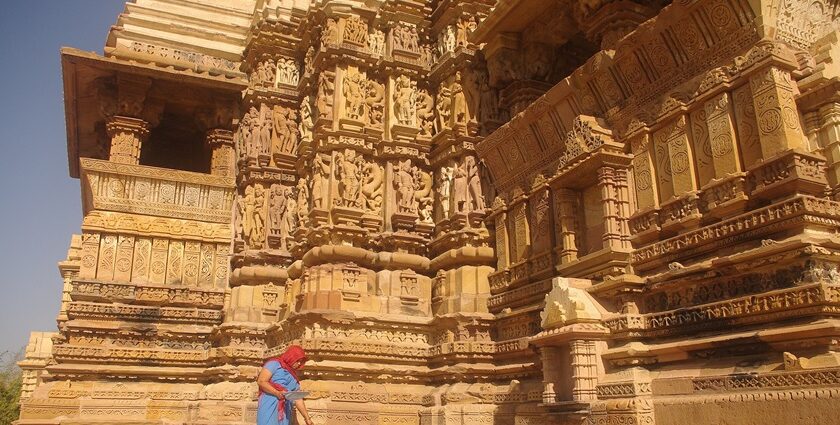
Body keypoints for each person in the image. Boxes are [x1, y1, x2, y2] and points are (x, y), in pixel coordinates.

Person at [257, 345, 314, 425]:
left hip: (285, 410)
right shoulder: (274, 364)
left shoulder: (293, 376)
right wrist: (277, 393)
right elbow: (261, 381)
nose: (299, 363)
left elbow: (298, 398)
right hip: (269, 404)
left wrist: (307, 418)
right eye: (297, 360)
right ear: (291, 357)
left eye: (301, 362)